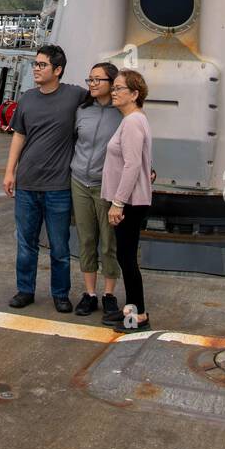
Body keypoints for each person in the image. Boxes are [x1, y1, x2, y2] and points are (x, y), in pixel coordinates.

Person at [3, 44, 85, 313]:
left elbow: (104, 97)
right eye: (35, 64)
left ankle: (60, 294)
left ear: (58, 70)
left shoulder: (74, 96)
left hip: (58, 187)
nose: (36, 69)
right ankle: (25, 290)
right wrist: (9, 171)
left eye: (41, 65)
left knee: (60, 247)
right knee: (26, 244)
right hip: (27, 183)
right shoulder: (27, 98)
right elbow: (19, 134)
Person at [101, 69, 153, 333]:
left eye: (120, 88)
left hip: (130, 202)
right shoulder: (133, 119)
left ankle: (138, 315)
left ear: (134, 94)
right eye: (115, 88)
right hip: (131, 200)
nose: (114, 92)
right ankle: (131, 310)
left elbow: (132, 165)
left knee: (127, 258)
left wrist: (118, 202)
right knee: (125, 256)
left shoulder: (133, 122)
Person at [70, 62, 122, 320]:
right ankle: (90, 294)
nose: (91, 84)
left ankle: (109, 294)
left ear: (112, 83)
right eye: (89, 79)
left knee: (108, 242)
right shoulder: (82, 111)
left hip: (106, 185)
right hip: (79, 180)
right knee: (86, 239)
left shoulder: (122, 114)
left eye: (97, 80)